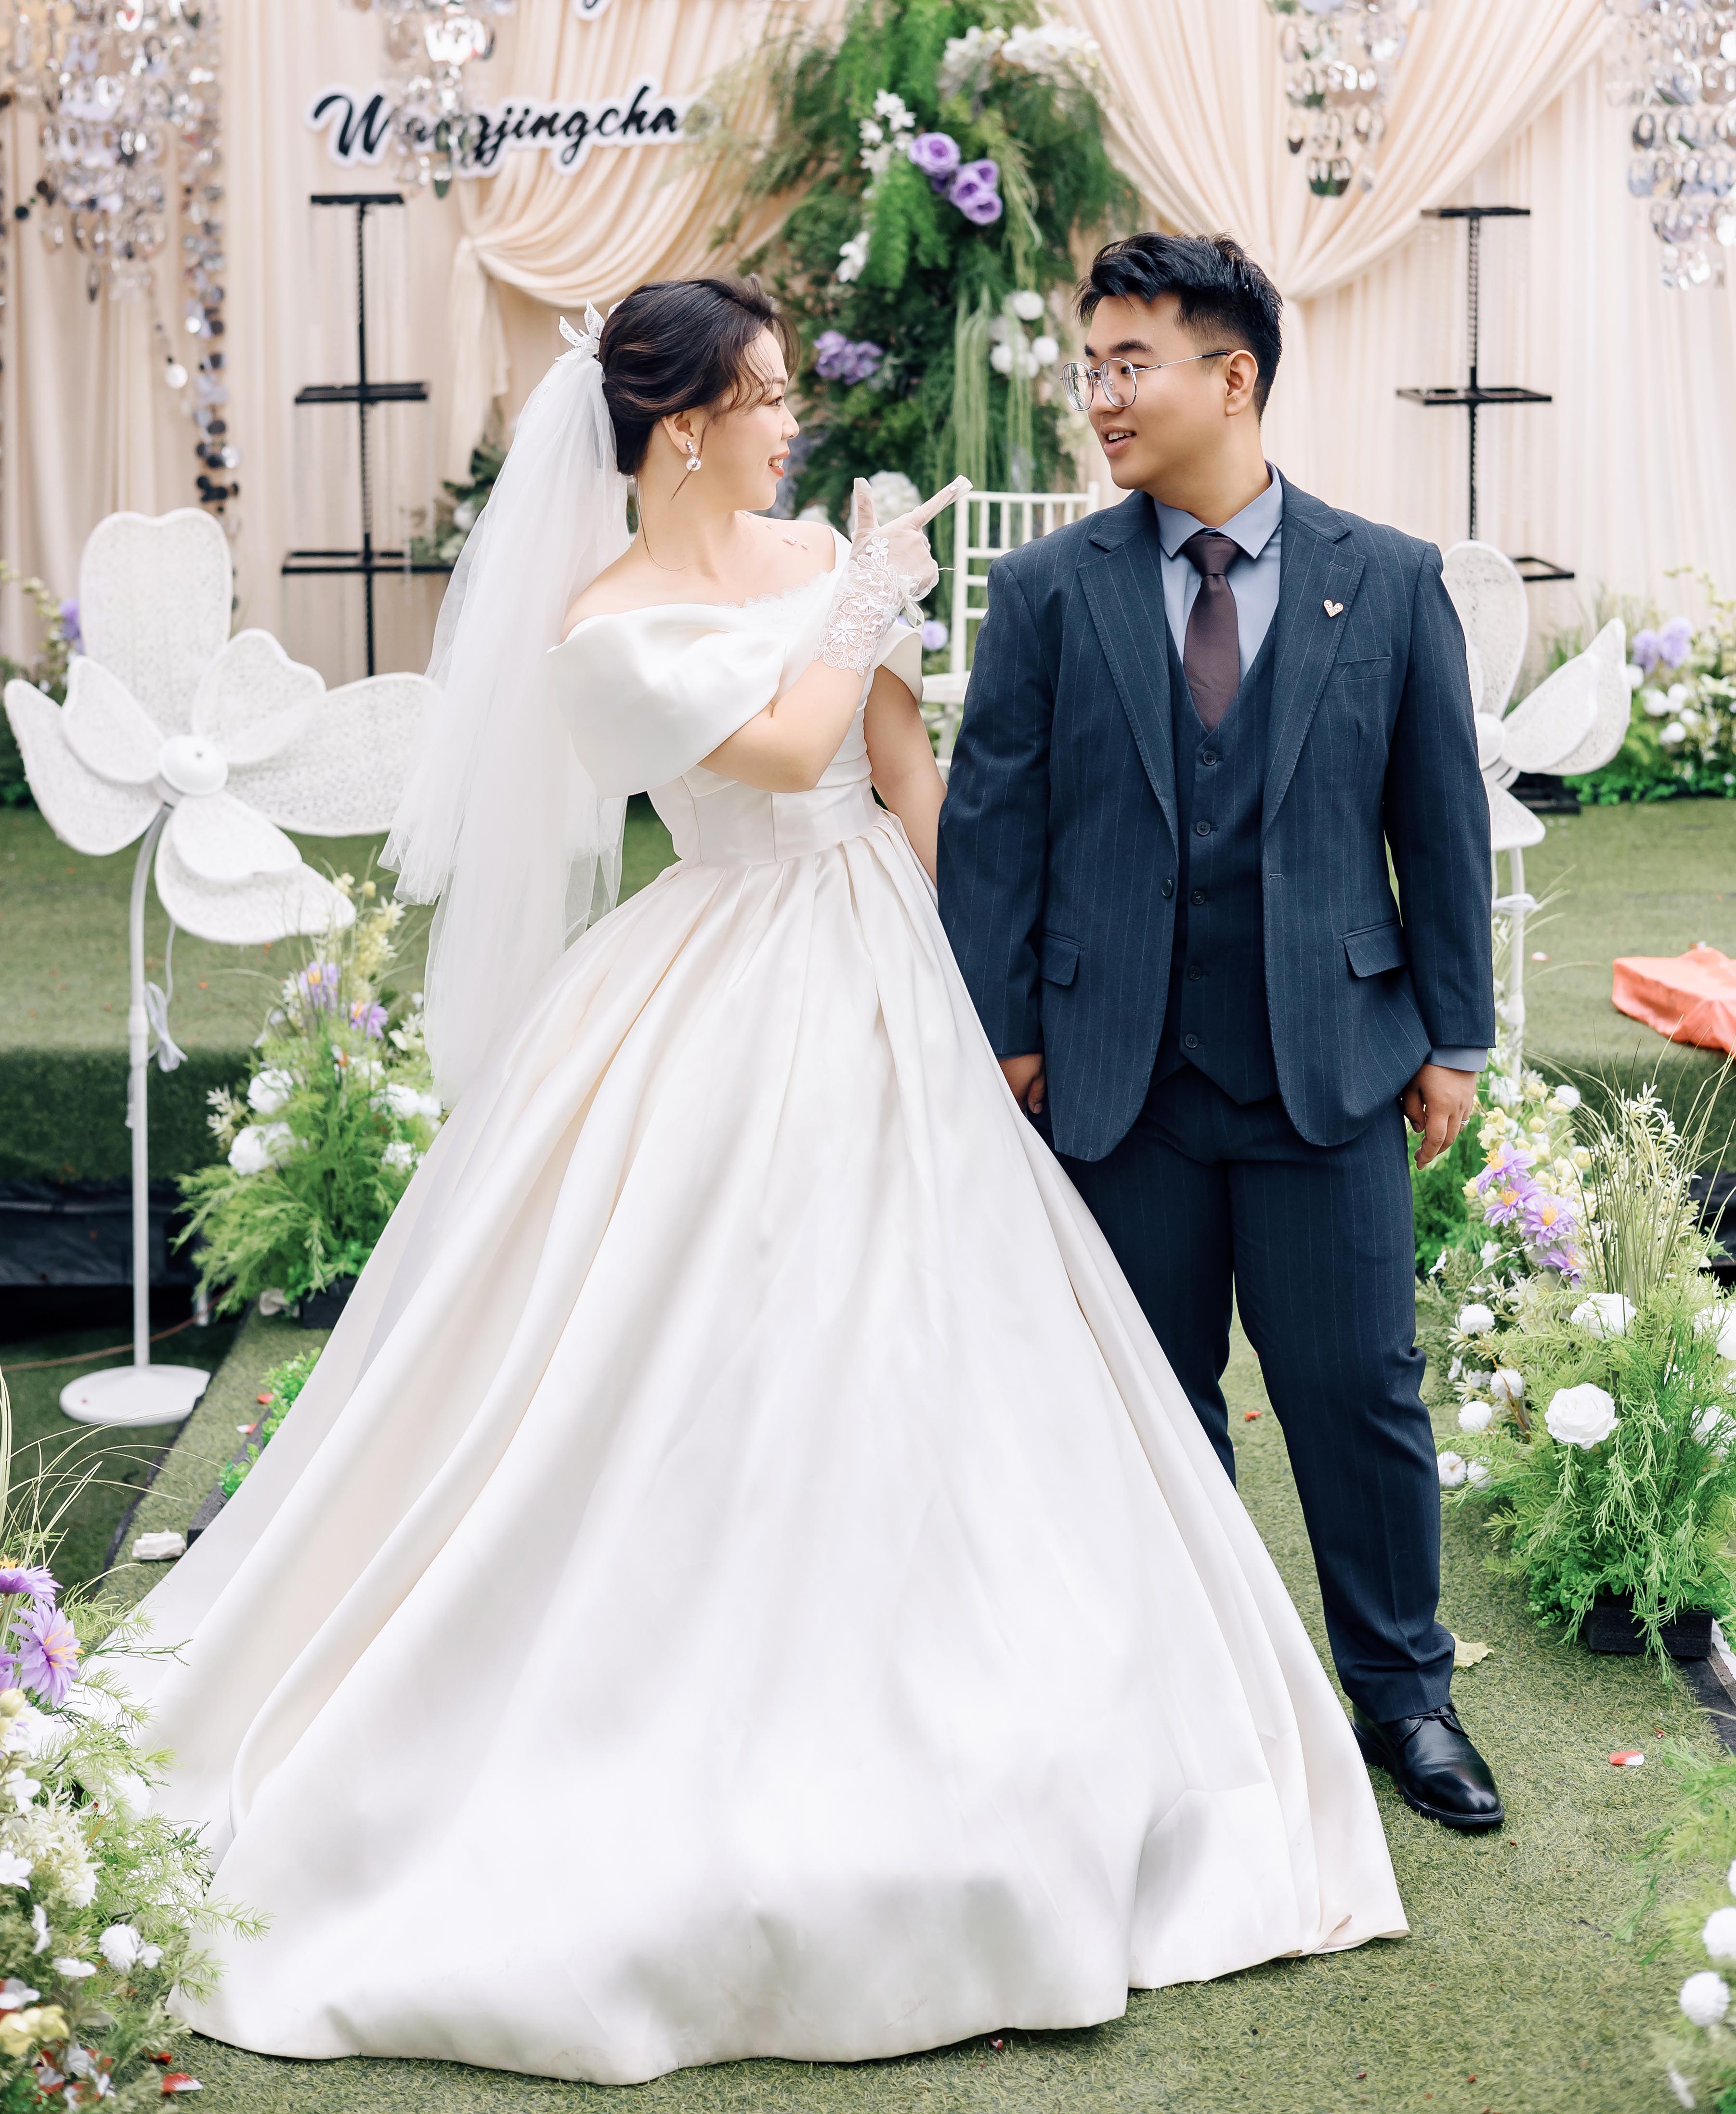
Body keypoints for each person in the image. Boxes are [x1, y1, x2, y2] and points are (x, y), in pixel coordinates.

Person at [122, 275, 1404, 2088]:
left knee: (952, 1328)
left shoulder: (813, 552)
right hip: (725, 970)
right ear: (682, 428)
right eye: (770, 397)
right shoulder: (603, 627)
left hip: (886, 960)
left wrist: (998, 980)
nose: (796, 423)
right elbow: (783, 755)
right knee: (705, 1324)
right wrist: (868, 593)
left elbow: (898, 770)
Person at [939, 230, 1503, 1838]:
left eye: (1131, 363)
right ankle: (1181, 1698)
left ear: (1233, 376)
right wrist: (1007, 1034)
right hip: (1113, 1070)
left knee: (1359, 1388)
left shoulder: (1385, 578)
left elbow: (1438, 823)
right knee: (1147, 1401)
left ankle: (1405, 1696)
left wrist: (1452, 1038)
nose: (1101, 397)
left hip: (1331, 1064)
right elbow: (993, 827)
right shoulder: (1049, 591)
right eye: (1092, 367)